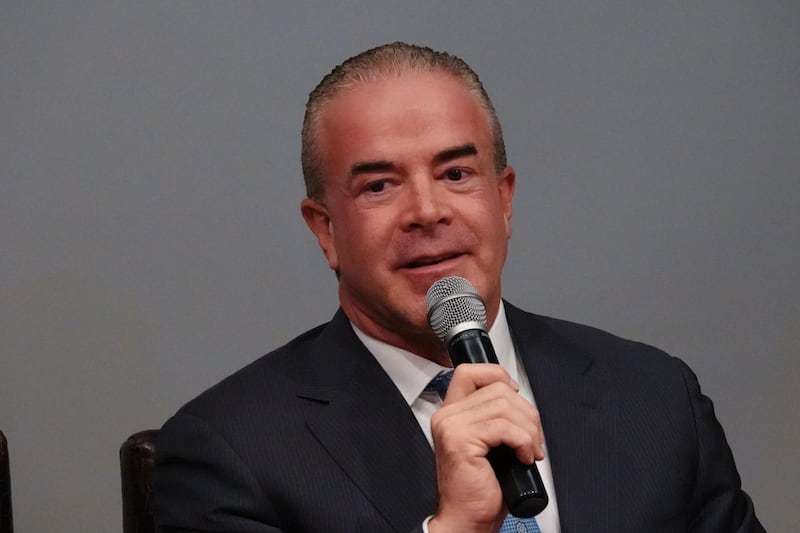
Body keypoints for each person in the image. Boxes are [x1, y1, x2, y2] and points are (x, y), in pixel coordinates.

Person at [153, 42, 764, 532]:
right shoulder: (229, 450)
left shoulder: (655, 398)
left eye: (455, 173)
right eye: (379, 186)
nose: (426, 210)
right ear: (326, 231)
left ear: (503, 199)